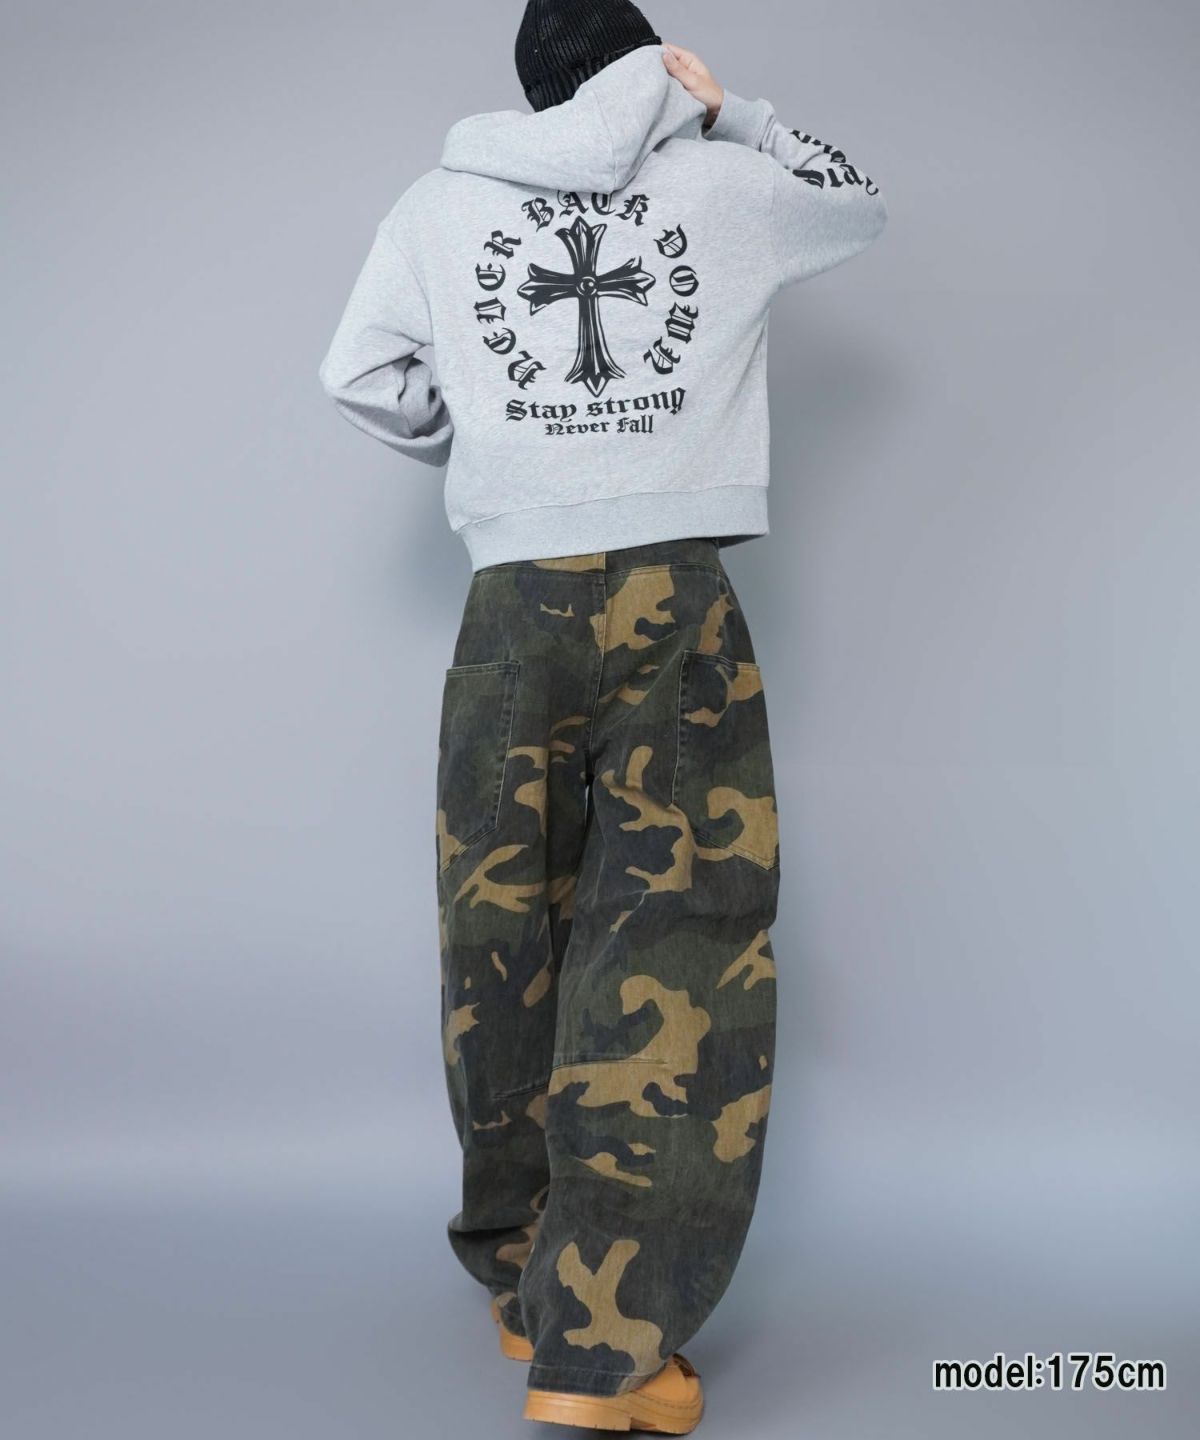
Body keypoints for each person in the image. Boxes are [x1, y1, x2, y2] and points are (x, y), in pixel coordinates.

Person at [319, 1, 886, 1430]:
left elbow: (361, 375)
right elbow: (858, 202)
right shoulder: (727, 183)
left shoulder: (438, 203)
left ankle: (527, 1280)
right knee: (676, 941)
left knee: (504, 932)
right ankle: (606, 1351)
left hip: (512, 602)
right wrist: (736, 110)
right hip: (670, 601)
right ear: (652, 69)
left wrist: (501, 447)